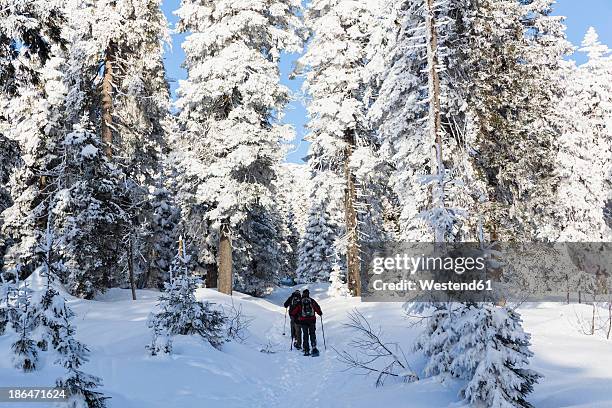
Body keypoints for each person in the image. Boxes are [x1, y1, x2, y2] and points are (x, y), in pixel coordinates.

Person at [295, 289, 322, 356]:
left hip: (303, 321)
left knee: (305, 335)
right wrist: (320, 313)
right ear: (308, 294)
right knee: (312, 333)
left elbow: (295, 311)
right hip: (312, 320)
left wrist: (295, 316)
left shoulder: (300, 302)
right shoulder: (312, 301)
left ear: (303, 294)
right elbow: (317, 308)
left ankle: (306, 350)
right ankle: (314, 347)